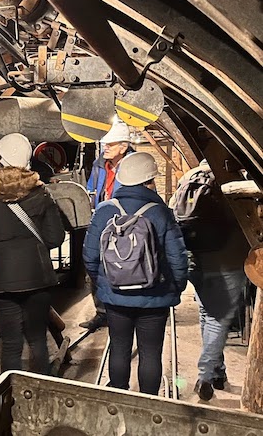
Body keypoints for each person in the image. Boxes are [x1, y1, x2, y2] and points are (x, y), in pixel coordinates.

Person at [83, 152, 188, 395]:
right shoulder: (160, 212)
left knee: (118, 346)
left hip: (115, 294)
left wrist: (104, 283)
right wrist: (176, 287)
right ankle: (149, 402)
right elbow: (178, 258)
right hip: (156, 295)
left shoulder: (104, 210)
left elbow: (89, 256)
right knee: (150, 351)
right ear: (150, 180)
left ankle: (117, 396)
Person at [0, 133, 65, 374]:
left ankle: (10, 399)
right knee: (37, 340)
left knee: (11, 344)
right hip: (38, 277)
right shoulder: (41, 193)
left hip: (2, 280)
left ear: (0, 158)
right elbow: (55, 237)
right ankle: (42, 395)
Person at [170, 160, 248, 401]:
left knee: (207, 313)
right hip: (226, 258)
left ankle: (217, 372)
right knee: (218, 319)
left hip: (195, 257)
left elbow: (174, 213)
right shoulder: (234, 179)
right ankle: (206, 376)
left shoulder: (188, 177)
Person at [80, 120, 134, 332]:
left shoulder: (134, 164)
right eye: (105, 144)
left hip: (124, 225)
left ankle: (122, 312)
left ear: (124, 146)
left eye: (110, 144)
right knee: (95, 265)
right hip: (101, 221)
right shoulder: (99, 165)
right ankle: (102, 312)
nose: (106, 148)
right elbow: (91, 189)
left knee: (121, 267)